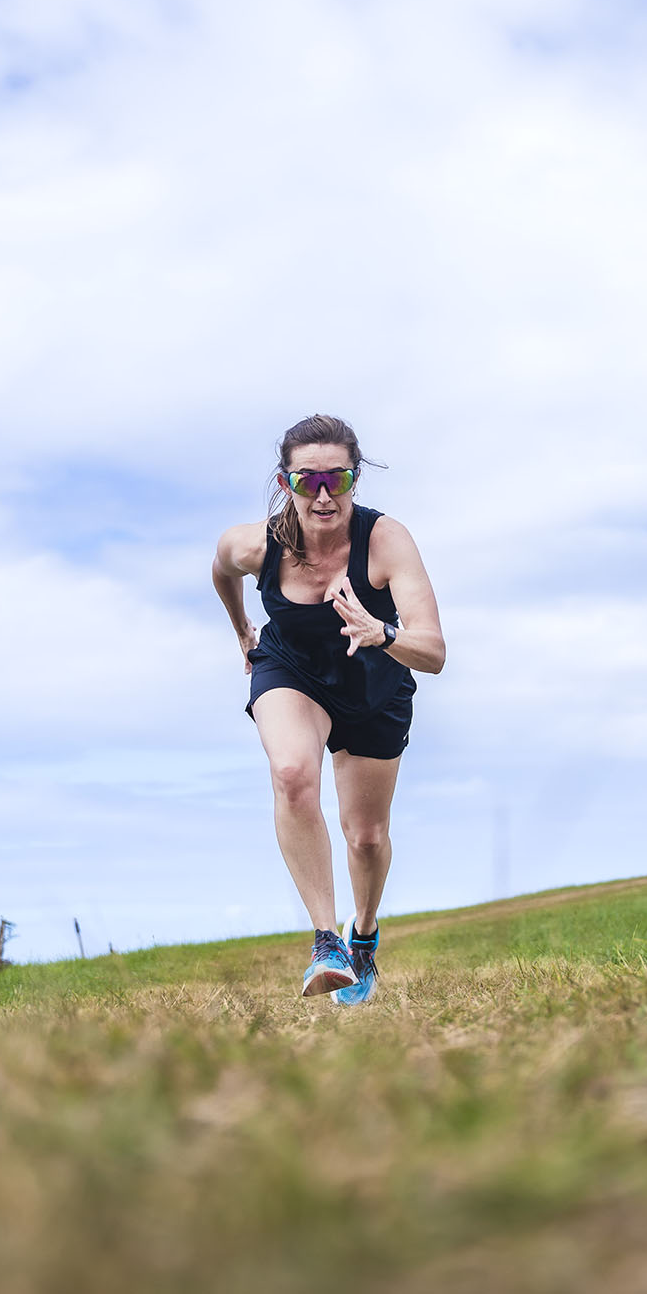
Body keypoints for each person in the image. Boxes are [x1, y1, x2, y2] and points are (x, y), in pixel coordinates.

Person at [211, 415, 447, 1002]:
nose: (321, 495)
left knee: (365, 837)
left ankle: (362, 936)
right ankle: (325, 940)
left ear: (354, 479)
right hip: (292, 672)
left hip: (374, 686)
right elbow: (222, 569)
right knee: (292, 773)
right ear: (286, 481)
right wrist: (243, 630)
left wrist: (381, 632)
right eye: (305, 480)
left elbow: (435, 653)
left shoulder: (386, 541)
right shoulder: (254, 544)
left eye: (335, 480)